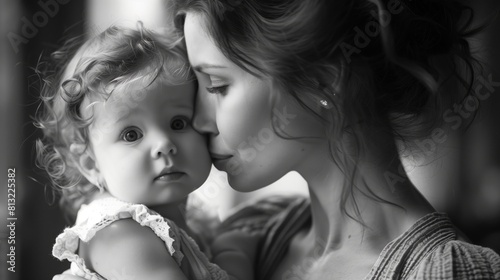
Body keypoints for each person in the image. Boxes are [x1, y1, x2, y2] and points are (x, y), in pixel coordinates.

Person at [54, 0, 500, 279]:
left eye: (216, 86)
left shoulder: (446, 272)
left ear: (321, 84)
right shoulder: (253, 233)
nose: (197, 121)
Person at [37, 23, 254, 280]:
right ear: (90, 164)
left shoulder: (192, 224)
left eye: (178, 123)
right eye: (131, 135)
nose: (164, 144)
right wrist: (235, 254)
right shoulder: (118, 232)